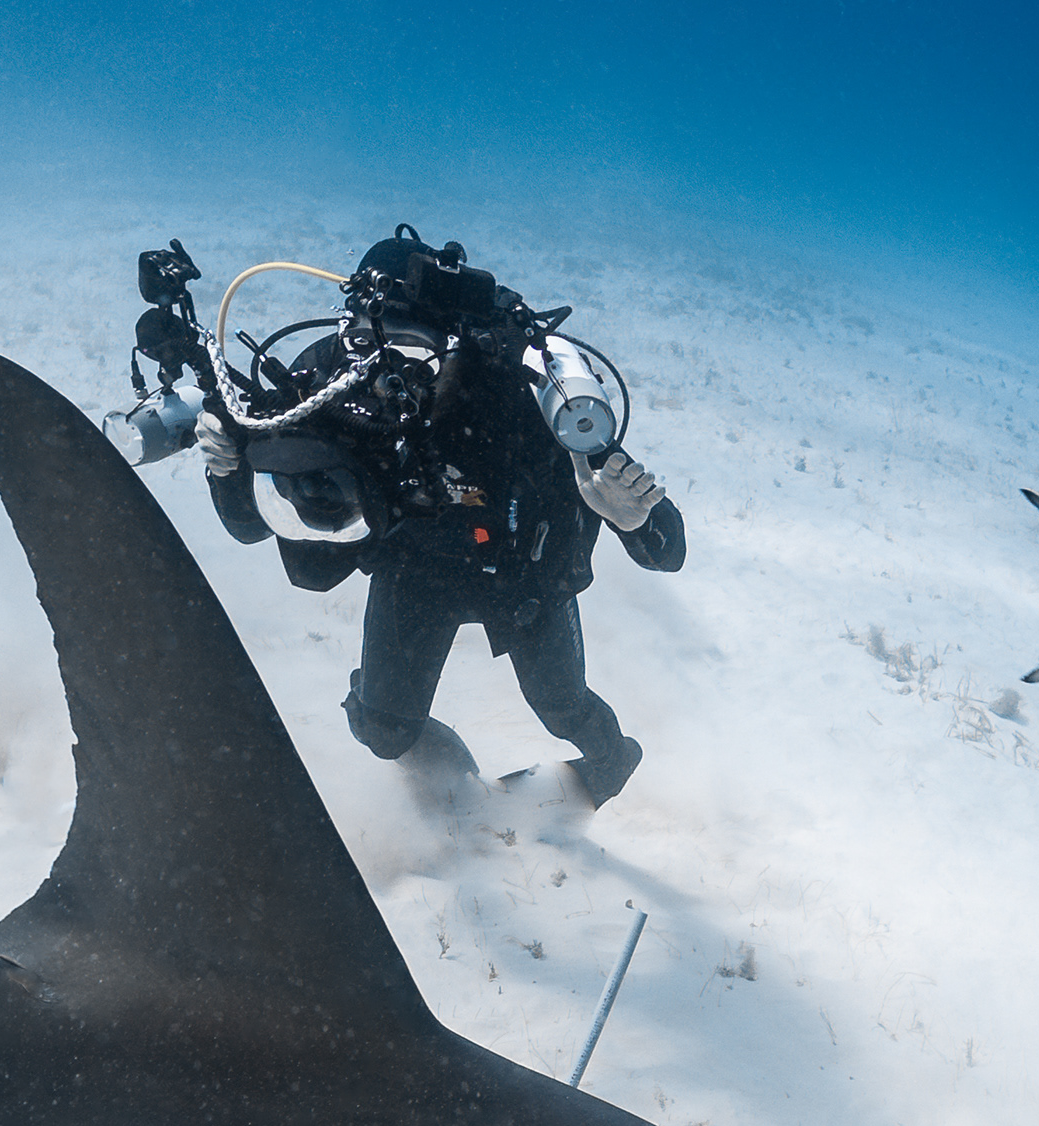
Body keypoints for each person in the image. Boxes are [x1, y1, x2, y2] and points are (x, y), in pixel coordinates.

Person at [195, 233, 684, 805]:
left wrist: (630, 518)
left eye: (414, 347)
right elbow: (252, 528)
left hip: (522, 574)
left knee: (562, 704)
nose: (389, 372)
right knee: (381, 728)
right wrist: (227, 469)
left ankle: (612, 760)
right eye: (368, 343)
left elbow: (667, 549)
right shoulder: (328, 380)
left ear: (453, 344)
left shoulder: (520, 390)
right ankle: (460, 788)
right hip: (413, 566)